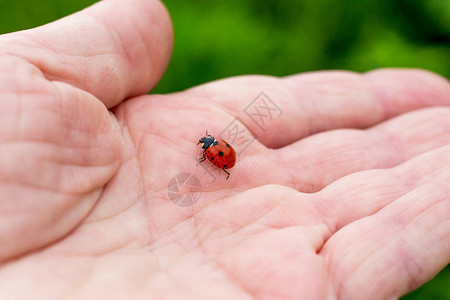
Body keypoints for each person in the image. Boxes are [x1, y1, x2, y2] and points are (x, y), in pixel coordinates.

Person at [0, 0, 448, 299]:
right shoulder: (218, 151)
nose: (207, 148)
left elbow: (217, 159)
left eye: (207, 147)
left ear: (212, 149)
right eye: (208, 148)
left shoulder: (217, 152)